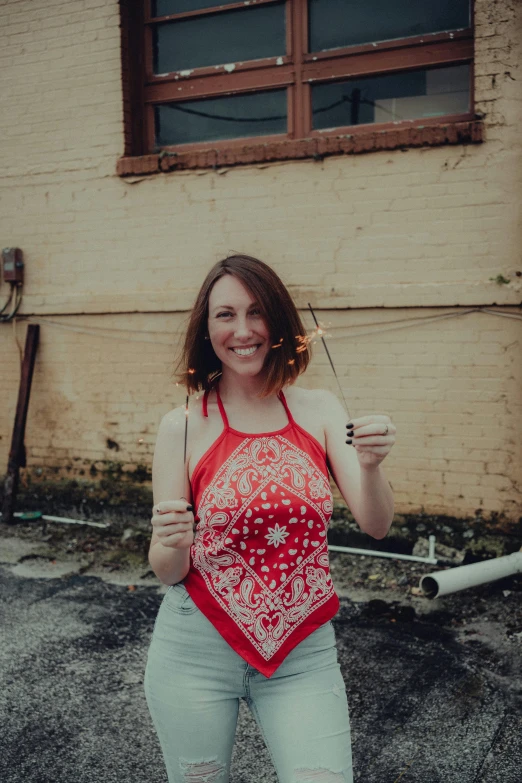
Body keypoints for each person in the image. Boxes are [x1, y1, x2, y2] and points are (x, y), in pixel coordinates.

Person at [144, 254, 396, 783]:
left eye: (256, 312)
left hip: (303, 653)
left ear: (277, 321)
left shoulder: (321, 409)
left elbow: (377, 525)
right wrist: (170, 542)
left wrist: (370, 467)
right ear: (206, 327)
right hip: (193, 653)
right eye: (225, 315)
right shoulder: (181, 426)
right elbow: (167, 571)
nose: (242, 330)